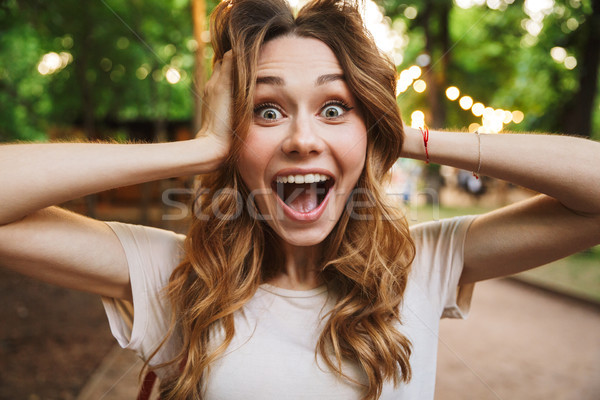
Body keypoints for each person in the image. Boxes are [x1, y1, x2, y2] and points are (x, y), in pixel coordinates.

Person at [1, 0, 598, 399]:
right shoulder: (178, 276)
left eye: (335, 108)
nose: (304, 138)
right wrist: (201, 147)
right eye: (266, 110)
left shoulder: (420, 265)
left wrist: (403, 134)